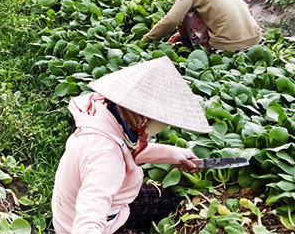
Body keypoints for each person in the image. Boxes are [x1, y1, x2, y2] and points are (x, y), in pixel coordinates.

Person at [52, 57, 211, 234]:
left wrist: (172, 154)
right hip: (80, 224)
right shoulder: (105, 158)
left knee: (165, 201)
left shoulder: (102, 115)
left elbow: (124, 151)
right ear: (143, 119)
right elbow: (86, 226)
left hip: (80, 209)